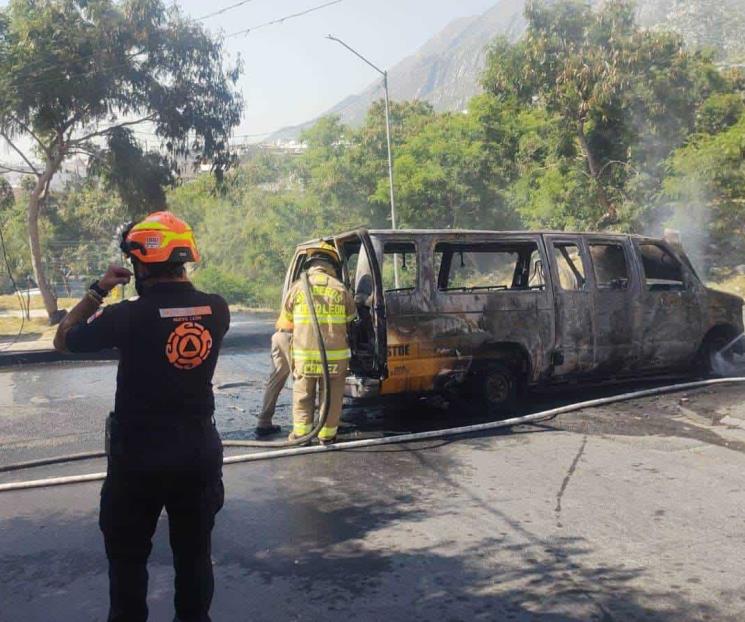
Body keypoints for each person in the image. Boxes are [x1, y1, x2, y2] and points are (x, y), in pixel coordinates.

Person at [53, 211, 229, 622]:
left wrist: (98, 290)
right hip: (198, 453)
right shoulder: (218, 310)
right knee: (195, 556)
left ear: (139, 261)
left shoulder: (126, 315)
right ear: (184, 256)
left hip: (139, 460)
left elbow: (64, 341)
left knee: (129, 561)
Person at [278, 242, 356, 445]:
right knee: (331, 398)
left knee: (303, 397)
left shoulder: (297, 288)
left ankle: (302, 436)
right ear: (332, 264)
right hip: (334, 358)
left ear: (311, 263)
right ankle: (327, 436)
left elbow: (287, 319)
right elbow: (351, 319)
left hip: (304, 357)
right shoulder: (340, 289)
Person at [255, 326, 291, 437]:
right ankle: (310, 424)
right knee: (303, 380)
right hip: (296, 336)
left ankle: (264, 421)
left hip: (280, 335)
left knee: (276, 379)